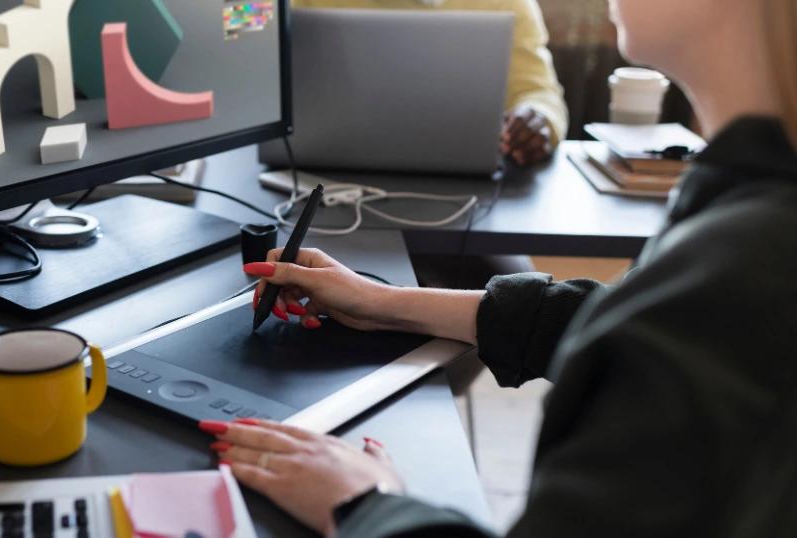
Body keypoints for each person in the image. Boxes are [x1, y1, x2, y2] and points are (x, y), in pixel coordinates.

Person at [199, 0, 797, 535]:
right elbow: (599, 319)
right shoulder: (742, 233)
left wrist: (367, 504)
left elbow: (541, 96)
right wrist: (379, 301)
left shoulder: (740, 274)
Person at [292, 0, 568, 166]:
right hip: (314, 185)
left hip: (468, 199)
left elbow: (537, 89)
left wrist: (539, 118)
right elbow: (250, 28)